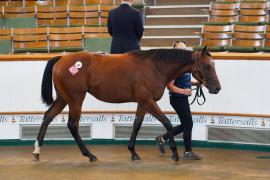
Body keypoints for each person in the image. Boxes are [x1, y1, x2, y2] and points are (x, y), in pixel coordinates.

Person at [155, 41, 201, 160]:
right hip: (177, 99)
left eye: (185, 49)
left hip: (181, 98)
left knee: (186, 124)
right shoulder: (175, 67)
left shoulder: (184, 65)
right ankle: (187, 152)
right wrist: (183, 91)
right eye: (181, 49)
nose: (184, 51)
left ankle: (162, 138)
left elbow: (183, 80)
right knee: (188, 124)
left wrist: (194, 83)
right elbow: (170, 86)